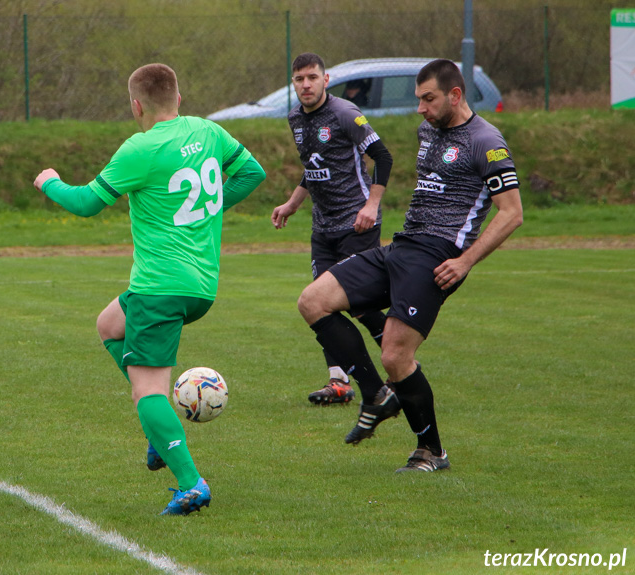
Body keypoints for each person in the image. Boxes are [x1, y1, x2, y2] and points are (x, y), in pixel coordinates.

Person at [33, 63, 266, 513]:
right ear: (178, 98)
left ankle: (191, 482)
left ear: (135, 105)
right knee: (109, 325)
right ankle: (158, 432)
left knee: (147, 392)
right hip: (201, 286)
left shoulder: (140, 148)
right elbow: (251, 173)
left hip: (159, 287)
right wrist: (205, 211)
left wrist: (50, 182)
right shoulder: (209, 132)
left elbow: (85, 203)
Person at [296, 58, 523, 472]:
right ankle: (376, 395)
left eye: (429, 99)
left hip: (438, 257)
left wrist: (465, 261)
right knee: (313, 300)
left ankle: (431, 452)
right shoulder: (428, 130)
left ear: (455, 95)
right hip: (400, 246)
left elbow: (511, 213)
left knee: (396, 355)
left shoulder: (486, 140)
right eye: (419, 99)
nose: (421, 108)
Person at [272, 52, 394, 408]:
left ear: (326, 80)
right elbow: (314, 167)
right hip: (322, 229)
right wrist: (293, 204)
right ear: (293, 84)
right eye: (299, 79)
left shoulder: (345, 114)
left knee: (361, 307)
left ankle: (402, 369)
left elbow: (383, 157)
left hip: (357, 224)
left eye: (312, 77)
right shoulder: (295, 118)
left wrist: (371, 205)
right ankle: (338, 383)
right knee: (321, 306)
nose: (306, 85)